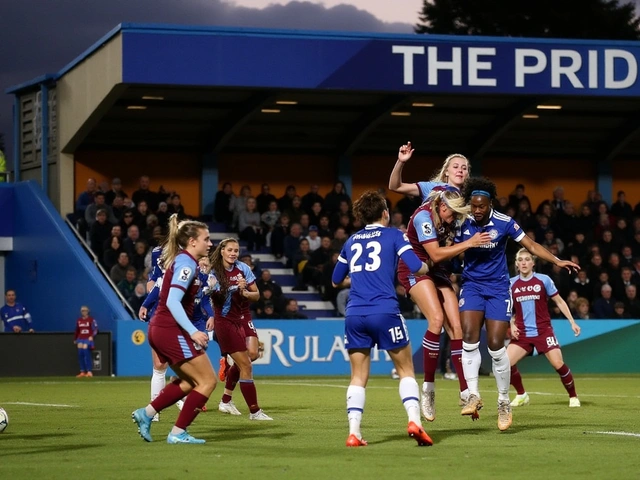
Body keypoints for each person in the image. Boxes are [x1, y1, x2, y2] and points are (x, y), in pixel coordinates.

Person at [456, 177, 580, 431]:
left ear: (490, 204)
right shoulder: (462, 221)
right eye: (473, 206)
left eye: (481, 206)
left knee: (494, 346)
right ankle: (472, 394)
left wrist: (556, 261)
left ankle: (504, 402)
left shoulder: (504, 223)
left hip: (498, 288)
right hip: (471, 286)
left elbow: (531, 245)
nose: (477, 210)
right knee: (468, 336)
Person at [331, 190, 433, 447]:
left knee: (357, 376)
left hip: (355, 313)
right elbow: (414, 265)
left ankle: (354, 433)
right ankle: (415, 422)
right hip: (385, 310)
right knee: (405, 370)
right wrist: (427, 266)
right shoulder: (394, 235)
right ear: (385, 213)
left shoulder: (351, 240)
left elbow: (335, 280)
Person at [397, 188, 491, 422]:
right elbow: (437, 254)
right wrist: (470, 243)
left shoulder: (449, 211)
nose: (455, 219)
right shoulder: (423, 218)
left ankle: (465, 392)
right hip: (414, 268)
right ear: (442, 207)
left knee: (456, 328)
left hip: (436, 270)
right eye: (453, 215)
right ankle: (428, 389)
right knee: (437, 320)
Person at [131, 215, 215, 444]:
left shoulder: (187, 263)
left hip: (163, 328)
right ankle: (178, 433)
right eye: (206, 239)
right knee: (207, 381)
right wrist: (192, 331)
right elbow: (172, 301)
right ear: (192, 241)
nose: (210, 244)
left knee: (190, 381)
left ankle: (146, 414)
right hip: (169, 328)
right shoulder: (186, 264)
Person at [207, 238, 272, 420]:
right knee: (246, 365)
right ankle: (254, 412)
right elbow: (216, 297)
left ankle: (227, 397)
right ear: (222, 251)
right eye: (230, 250)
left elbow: (257, 295)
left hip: (244, 316)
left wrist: (245, 293)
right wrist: (236, 288)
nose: (233, 253)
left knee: (252, 354)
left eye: (236, 250)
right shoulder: (214, 272)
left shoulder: (243, 268)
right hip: (225, 320)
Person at [508, 249, 582, 408]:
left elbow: (560, 302)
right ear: (516, 263)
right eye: (520, 260)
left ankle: (573, 396)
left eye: (527, 259)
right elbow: (506, 308)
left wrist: (572, 322)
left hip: (543, 331)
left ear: (533, 263)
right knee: (505, 364)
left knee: (558, 364)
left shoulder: (544, 280)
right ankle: (522, 395)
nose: (523, 263)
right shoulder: (511, 283)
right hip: (522, 332)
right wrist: (511, 324)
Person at [388, 141, 470, 202]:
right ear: (446, 172)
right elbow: (395, 187)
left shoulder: (472, 195)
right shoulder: (432, 188)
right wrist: (400, 161)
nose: (460, 170)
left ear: (467, 174)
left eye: (464, 168)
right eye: (455, 167)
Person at [74, 306, 99, 378]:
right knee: (80, 353)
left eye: (85, 310)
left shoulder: (91, 320)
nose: (83, 312)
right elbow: (77, 330)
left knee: (86, 352)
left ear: (88, 311)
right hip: (81, 338)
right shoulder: (79, 320)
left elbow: (95, 329)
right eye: (82, 311)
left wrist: (92, 336)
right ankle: (82, 371)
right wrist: (75, 339)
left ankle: (89, 371)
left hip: (88, 338)